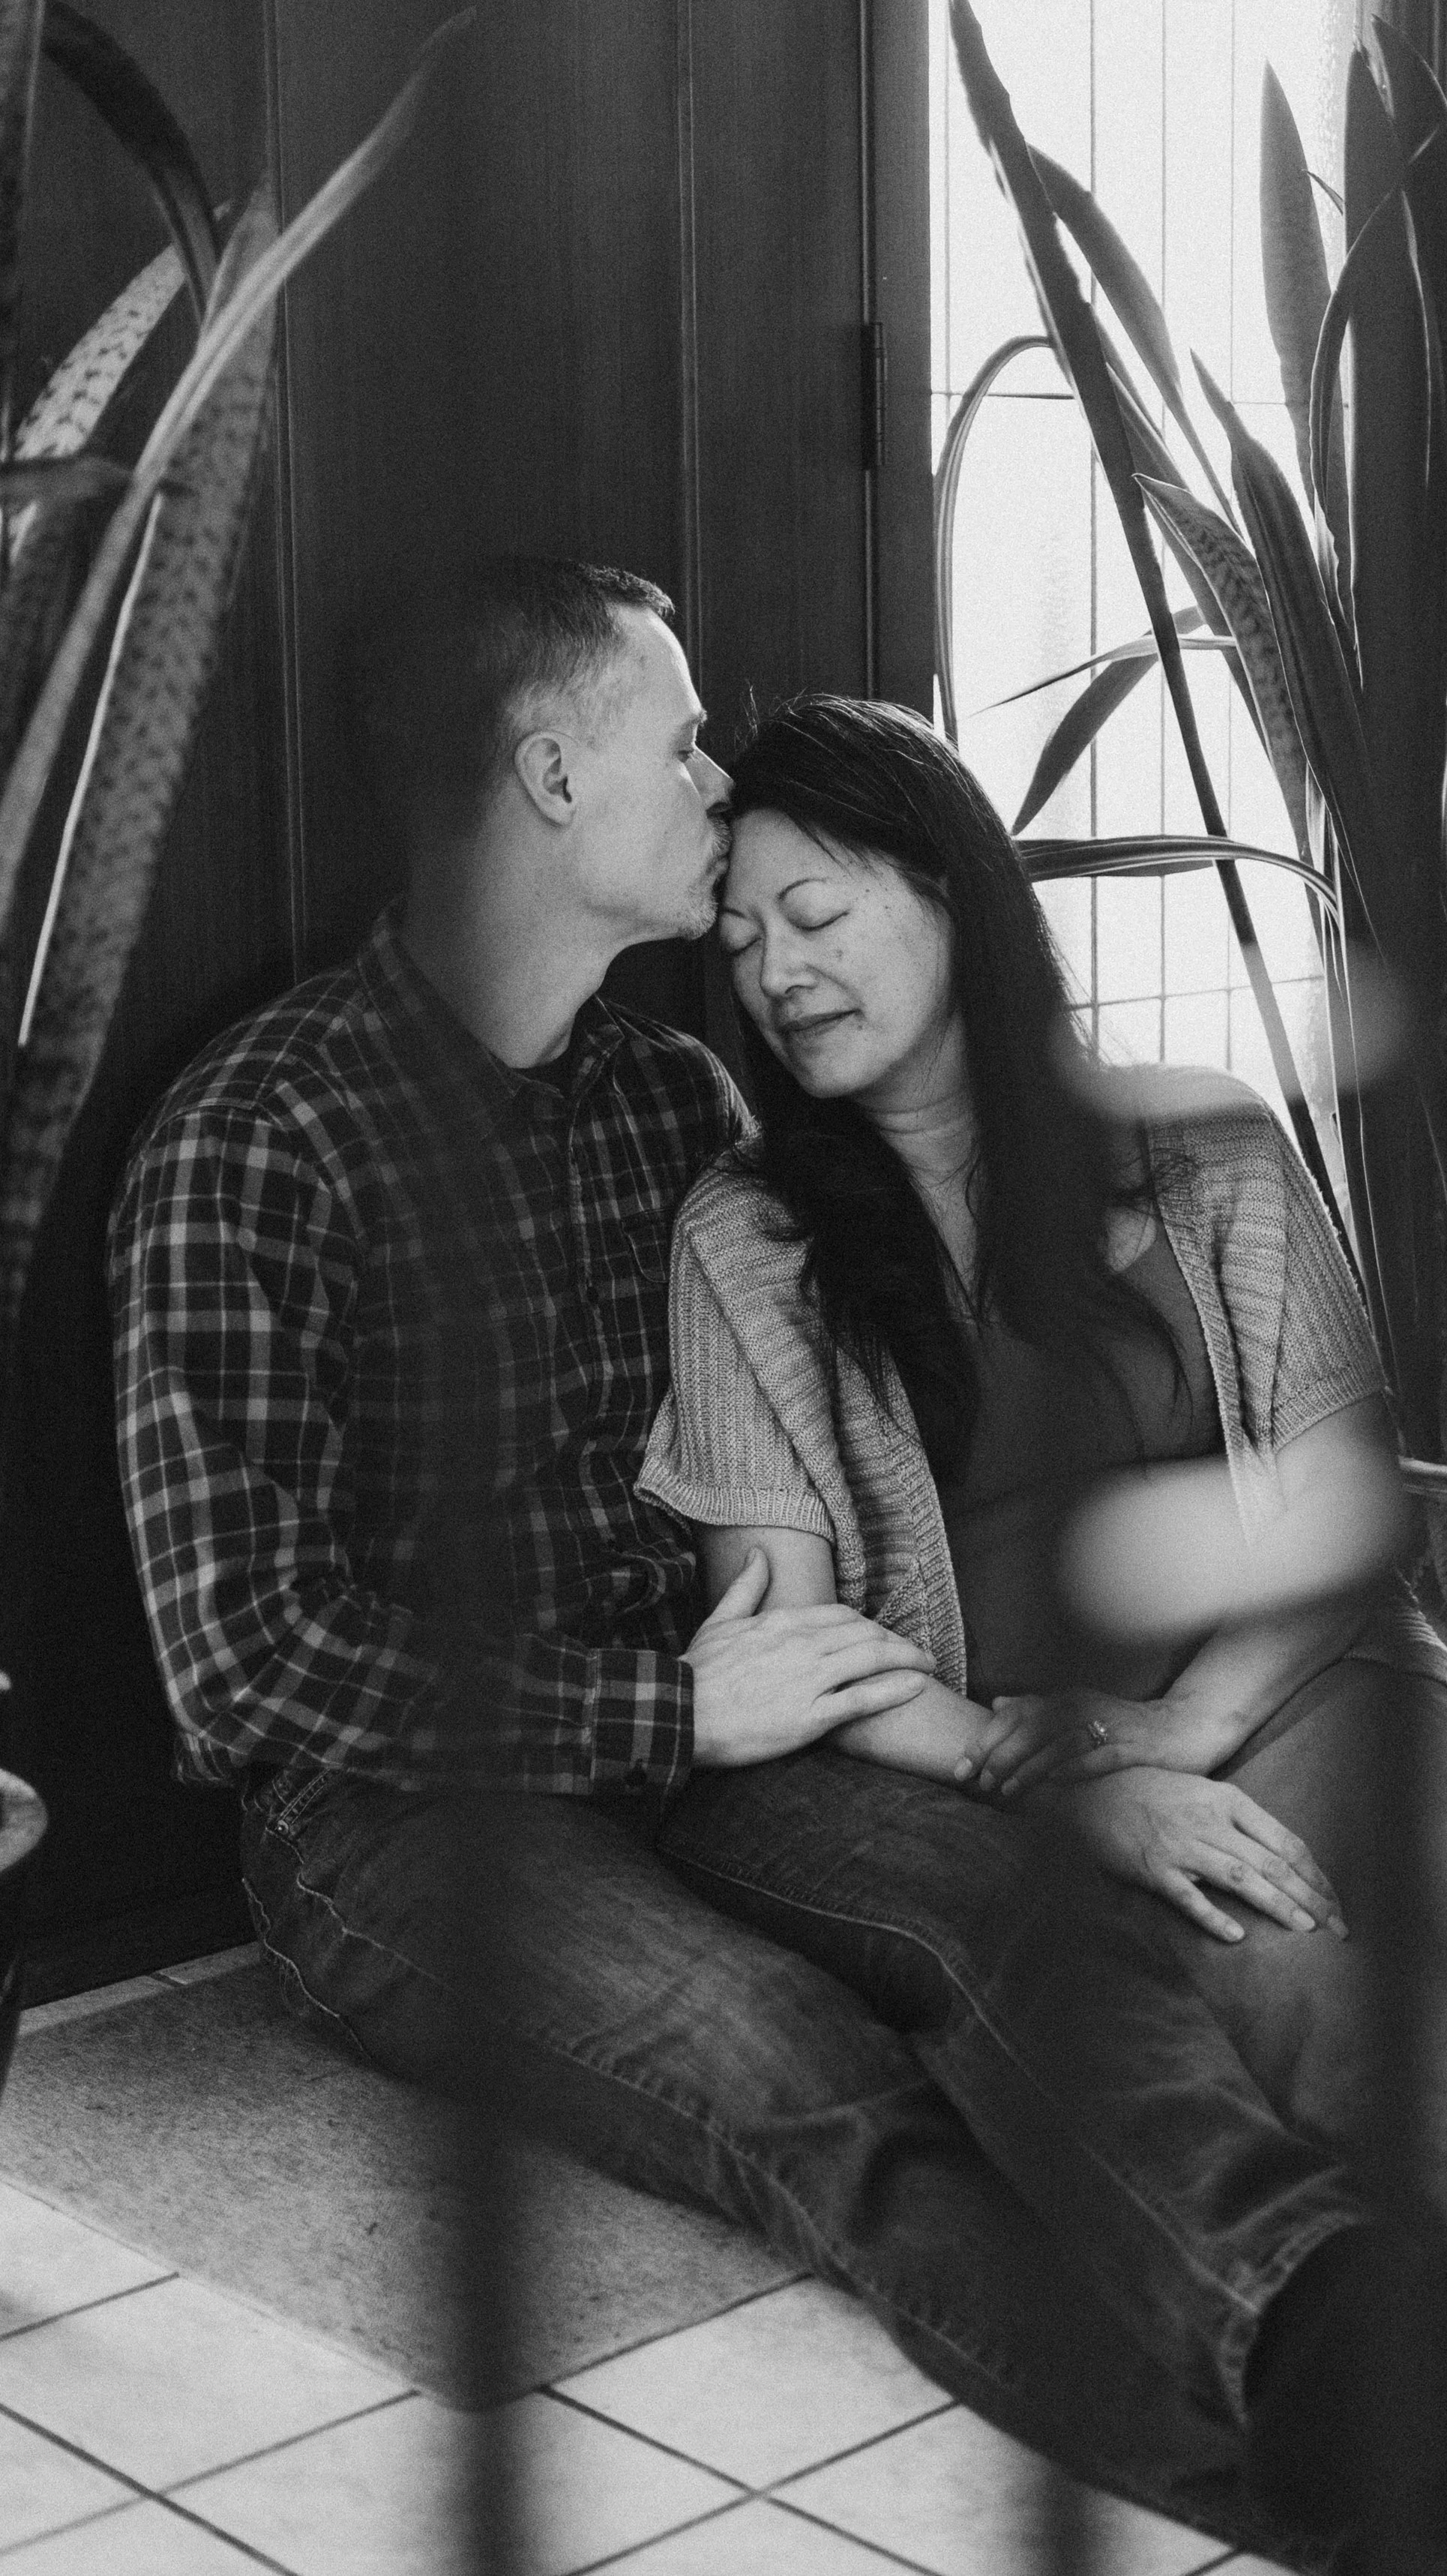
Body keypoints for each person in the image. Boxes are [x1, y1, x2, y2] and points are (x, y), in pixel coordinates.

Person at [107, 562, 1272, 2548]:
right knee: (789, 2055)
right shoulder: (260, 1132)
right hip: (405, 1818)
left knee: (1043, 1933)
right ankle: (1299, 2472)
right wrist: (664, 1700)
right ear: (552, 773)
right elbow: (244, 1662)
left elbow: (809, 1490)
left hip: (727, 1735)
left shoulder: (676, 1104)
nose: (718, 774)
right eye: (679, 737)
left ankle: (1336, 2308)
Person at [637, 689, 1447, 2571]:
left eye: (812, 912)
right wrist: (1067, 1781)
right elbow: (796, 1645)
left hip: (1292, 1665)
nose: (772, 971)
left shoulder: (1205, 1145)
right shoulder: (743, 1242)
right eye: (739, 937)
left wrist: (1180, 1732)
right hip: (1009, 1751)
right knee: (1289, 1969)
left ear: (951, 892)